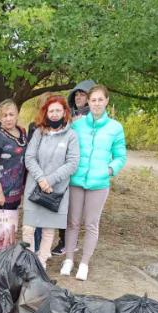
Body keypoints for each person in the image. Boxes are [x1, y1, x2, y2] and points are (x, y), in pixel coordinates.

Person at [61, 84, 127, 281]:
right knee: (72, 222)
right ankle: (69, 259)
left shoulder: (115, 128)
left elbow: (120, 156)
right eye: (93, 100)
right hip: (76, 180)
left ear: (107, 101)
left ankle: (84, 263)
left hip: (99, 183)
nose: (97, 103)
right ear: (88, 102)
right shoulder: (78, 125)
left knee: (91, 223)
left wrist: (109, 170)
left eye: (100, 99)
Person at [21, 95, 79, 269]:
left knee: (48, 230)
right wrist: (41, 179)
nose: (54, 114)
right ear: (46, 112)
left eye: (58, 110)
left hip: (57, 190)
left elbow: (72, 163)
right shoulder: (39, 132)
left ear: (64, 112)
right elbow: (29, 157)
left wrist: (50, 180)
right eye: (51, 110)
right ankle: (28, 263)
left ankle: (41, 263)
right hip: (35, 188)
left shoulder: (71, 135)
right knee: (28, 229)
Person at [52, 78, 97, 256]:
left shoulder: (94, 118)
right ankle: (64, 241)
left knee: (79, 212)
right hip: (66, 168)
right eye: (76, 94)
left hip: (84, 170)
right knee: (65, 207)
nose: (79, 97)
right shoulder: (69, 115)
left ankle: (72, 244)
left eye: (82, 94)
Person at [0, 99, 27, 210]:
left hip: (14, 191)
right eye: (4, 115)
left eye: (11, 114)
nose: (8, 118)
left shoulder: (22, 132)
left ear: (17, 115)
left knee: (10, 227)